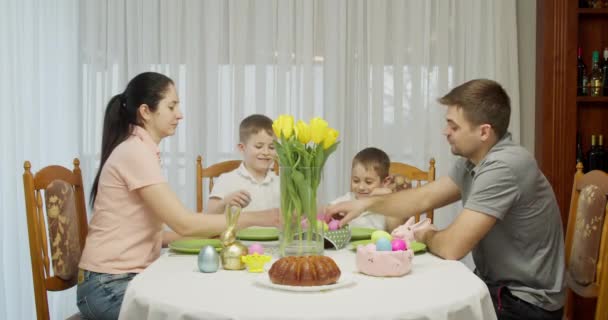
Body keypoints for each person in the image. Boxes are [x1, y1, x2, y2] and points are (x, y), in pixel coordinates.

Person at [325, 79, 565, 320]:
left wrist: (425, 234)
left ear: (483, 131)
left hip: (525, 302)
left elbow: (452, 247)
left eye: (454, 126)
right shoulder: (473, 161)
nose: (445, 131)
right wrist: (364, 204)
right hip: (496, 288)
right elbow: (423, 198)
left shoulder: (503, 166)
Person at [77, 72, 278, 320]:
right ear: (146, 112)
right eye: (171, 106)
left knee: (205, 297)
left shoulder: (140, 150)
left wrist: (212, 231)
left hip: (119, 279)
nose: (179, 114)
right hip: (107, 287)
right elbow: (184, 223)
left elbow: (156, 233)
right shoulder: (134, 152)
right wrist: (261, 218)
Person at [206, 114, 280, 217]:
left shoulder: (280, 182)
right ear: (242, 148)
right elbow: (209, 215)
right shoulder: (226, 180)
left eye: (272, 147)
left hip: (274, 233)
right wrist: (224, 203)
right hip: (237, 233)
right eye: (259, 146)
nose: (266, 152)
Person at [329, 147, 404, 232]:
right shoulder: (348, 199)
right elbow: (327, 210)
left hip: (375, 244)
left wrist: (389, 199)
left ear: (385, 182)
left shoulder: (385, 204)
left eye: (368, 182)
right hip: (350, 245)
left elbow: (395, 229)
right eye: (356, 180)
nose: (361, 187)